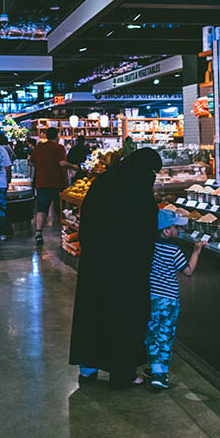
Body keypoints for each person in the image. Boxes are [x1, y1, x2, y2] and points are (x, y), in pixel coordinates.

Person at [68, 147, 162, 390]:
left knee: (92, 312)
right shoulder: (138, 190)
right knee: (124, 318)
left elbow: (85, 220)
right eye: (153, 172)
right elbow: (144, 230)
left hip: (95, 264)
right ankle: (123, 374)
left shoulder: (103, 182)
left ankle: (87, 369)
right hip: (126, 269)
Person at [144, 209, 205, 390]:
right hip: (169, 300)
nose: (179, 230)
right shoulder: (174, 251)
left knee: (153, 334)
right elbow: (188, 271)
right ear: (166, 231)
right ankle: (160, 374)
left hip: (152, 298)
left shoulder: (150, 247)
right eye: (176, 227)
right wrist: (196, 252)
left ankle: (155, 368)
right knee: (166, 335)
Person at [30, 127, 79, 244]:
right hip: (58, 183)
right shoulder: (59, 148)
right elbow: (62, 163)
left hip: (41, 183)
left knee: (42, 209)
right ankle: (65, 232)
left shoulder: (38, 147)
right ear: (57, 136)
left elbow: (31, 162)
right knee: (61, 209)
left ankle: (38, 233)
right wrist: (73, 166)